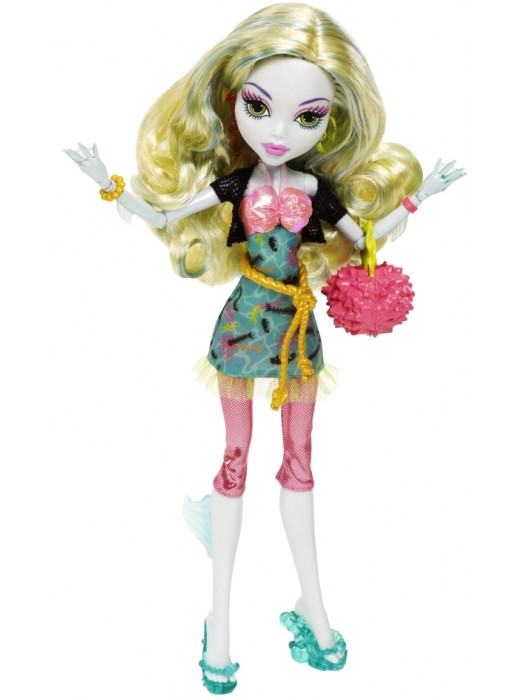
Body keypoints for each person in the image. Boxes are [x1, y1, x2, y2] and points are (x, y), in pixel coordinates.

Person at [65, 4, 464, 694]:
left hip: (296, 332)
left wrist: (421, 195)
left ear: (329, 122)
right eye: (259, 107)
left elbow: (367, 238)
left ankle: (313, 606)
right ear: (233, 103)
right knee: (235, 457)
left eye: (306, 116)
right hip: (243, 324)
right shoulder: (235, 185)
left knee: (301, 461)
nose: (278, 132)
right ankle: (218, 622)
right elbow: (166, 215)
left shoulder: (315, 190)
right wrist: (106, 181)